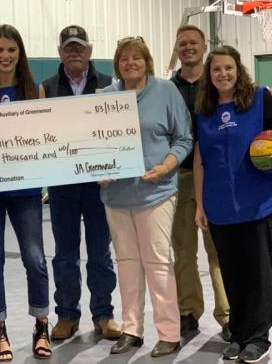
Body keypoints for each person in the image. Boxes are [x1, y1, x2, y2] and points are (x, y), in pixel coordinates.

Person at [193, 46, 272, 363]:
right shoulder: (204, 110)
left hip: (256, 203)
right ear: (209, 75)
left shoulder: (258, 99)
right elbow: (200, 160)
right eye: (216, 70)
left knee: (257, 272)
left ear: (238, 70)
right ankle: (238, 333)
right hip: (219, 205)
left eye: (228, 68)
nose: (223, 74)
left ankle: (258, 337)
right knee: (232, 272)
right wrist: (199, 204)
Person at [101, 36, 193, 357]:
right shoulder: (104, 98)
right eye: (124, 59)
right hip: (116, 195)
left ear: (147, 61)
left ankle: (169, 333)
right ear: (117, 64)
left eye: (136, 58)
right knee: (126, 263)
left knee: (158, 262)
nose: (130, 63)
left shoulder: (166, 91)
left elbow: (183, 138)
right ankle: (131, 330)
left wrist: (166, 166)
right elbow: (89, 144)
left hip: (157, 191)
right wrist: (97, 170)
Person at [0, 24, 52, 361]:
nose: (5, 56)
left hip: (26, 190)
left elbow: (46, 137)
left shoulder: (35, 92)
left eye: (11, 50)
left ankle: (41, 325)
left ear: (20, 54)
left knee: (35, 259)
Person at [41, 25, 120, 341]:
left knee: (100, 252)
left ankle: (104, 314)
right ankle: (67, 316)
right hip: (62, 186)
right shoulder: (45, 88)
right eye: (68, 47)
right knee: (65, 254)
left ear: (89, 50)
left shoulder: (110, 86)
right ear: (60, 52)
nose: (74, 52)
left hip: (99, 185)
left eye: (79, 47)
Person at [169, 25, 231, 339]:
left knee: (218, 250)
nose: (189, 47)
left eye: (194, 42)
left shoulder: (219, 84)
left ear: (204, 46)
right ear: (177, 49)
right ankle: (188, 311)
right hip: (178, 177)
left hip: (213, 178)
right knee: (183, 252)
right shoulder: (167, 89)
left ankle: (228, 315)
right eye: (183, 43)